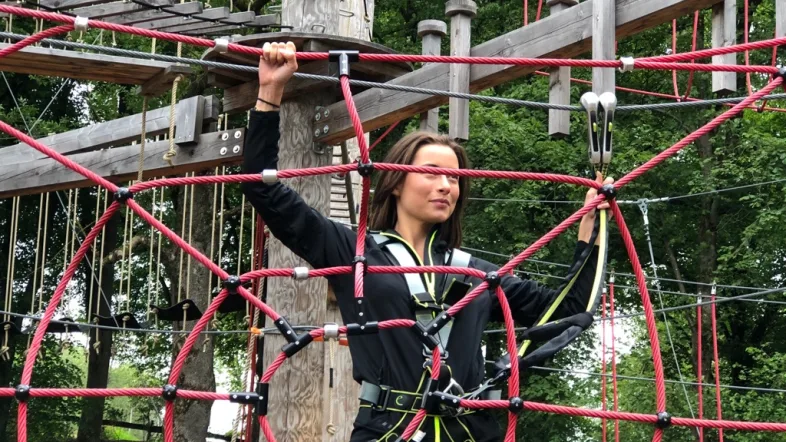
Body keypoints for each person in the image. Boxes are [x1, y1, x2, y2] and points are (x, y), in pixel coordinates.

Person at [242, 41, 614, 442]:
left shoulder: (477, 275)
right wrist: (270, 94)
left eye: (454, 178)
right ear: (397, 183)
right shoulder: (354, 253)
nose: (445, 186)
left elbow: (568, 313)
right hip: (389, 431)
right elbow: (263, 191)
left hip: (470, 431)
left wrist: (589, 234)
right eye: (432, 173)